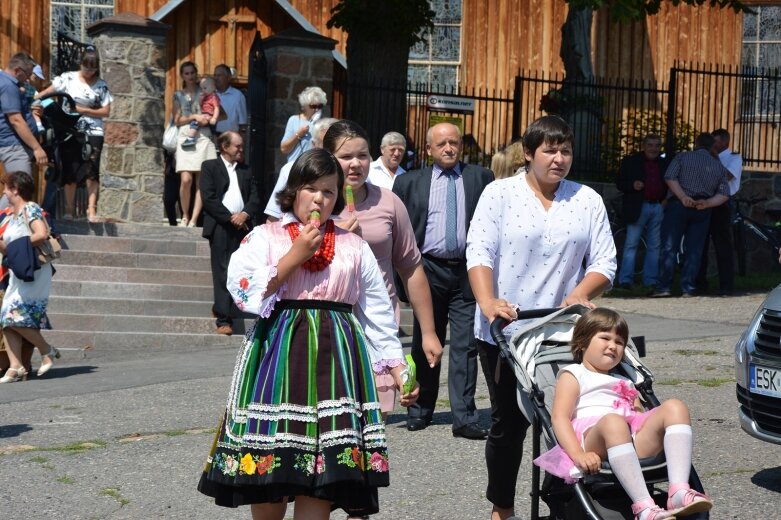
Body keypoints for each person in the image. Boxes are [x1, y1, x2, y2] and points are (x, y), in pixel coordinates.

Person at [197, 148, 417, 519]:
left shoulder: (354, 247)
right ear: (294, 189)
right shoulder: (265, 237)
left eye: (330, 192)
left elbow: (377, 313)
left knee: (324, 472)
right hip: (278, 358)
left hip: (337, 362)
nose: (320, 199)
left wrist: (397, 368)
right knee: (271, 469)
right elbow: (242, 290)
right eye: (312, 189)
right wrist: (293, 257)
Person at [466, 115, 615, 520]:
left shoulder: (586, 199)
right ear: (529, 153)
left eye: (565, 150)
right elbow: (479, 250)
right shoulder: (500, 194)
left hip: (562, 328)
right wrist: (488, 300)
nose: (558, 158)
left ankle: (561, 501)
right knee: (509, 425)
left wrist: (583, 292)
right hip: (507, 330)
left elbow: (605, 260)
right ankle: (503, 507)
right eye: (549, 150)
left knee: (565, 419)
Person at [323, 119, 443, 421]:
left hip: (378, 330)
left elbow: (411, 268)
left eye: (362, 156)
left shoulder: (389, 202)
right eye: (345, 157)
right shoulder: (315, 202)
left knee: (374, 427)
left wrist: (428, 332)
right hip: (328, 327)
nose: (355, 164)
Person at [550, 308, 713, 519]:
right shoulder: (574, 374)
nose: (613, 345)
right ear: (582, 342)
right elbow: (559, 417)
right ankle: (644, 507)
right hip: (593, 440)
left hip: (628, 437)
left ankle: (679, 491)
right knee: (613, 422)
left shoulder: (626, 379)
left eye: (619, 342)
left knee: (675, 406)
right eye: (605, 338)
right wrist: (578, 454)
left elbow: (639, 416)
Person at [393, 122, 494, 439]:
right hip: (426, 269)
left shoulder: (481, 178)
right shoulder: (409, 182)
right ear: (428, 150)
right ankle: (420, 409)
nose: (448, 148)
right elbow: (399, 230)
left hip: (467, 270)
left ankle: (464, 416)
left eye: (454, 142)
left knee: (465, 345)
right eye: (441, 144)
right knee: (425, 339)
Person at [35, 47, 112, 223]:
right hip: (69, 129)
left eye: (93, 68)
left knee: (92, 169)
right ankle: (69, 211)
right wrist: (32, 98)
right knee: (70, 168)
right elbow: (48, 93)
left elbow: (106, 111)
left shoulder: (101, 86)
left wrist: (82, 109)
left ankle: (91, 210)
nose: (89, 71)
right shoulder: (68, 78)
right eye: (86, 67)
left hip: (93, 130)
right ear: (81, 63)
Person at [651, 133, 730, 298]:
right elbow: (724, 194)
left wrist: (682, 197)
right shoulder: (718, 165)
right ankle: (688, 287)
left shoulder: (682, 157)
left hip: (678, 206)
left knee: (669, 247)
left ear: (696, 143)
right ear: (711, 147)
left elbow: (669, 177)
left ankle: (664, 287)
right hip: (702, 208)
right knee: (695, 250)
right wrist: (707, 203)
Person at [0, 171, 59, 383]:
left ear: (16, 189)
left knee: (12, 315)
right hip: (20, 270)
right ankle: (15, 367)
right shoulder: (11, 215)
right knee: (6, 317)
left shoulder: (30, 208)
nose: (5, 193)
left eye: (7, 188)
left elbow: (41, 233)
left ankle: (47, 350)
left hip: (35, 270)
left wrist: (17, 246)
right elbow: (9, 250)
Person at [199, 131, 260, 336]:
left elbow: (254, 197)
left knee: (240, 269)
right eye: (237, 146)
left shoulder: (246, 170)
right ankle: (223, 319)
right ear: (225, 147)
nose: (241, 150)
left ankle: (224, 306)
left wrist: (244, 215)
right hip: (221, 227)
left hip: (242, 227)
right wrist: (230, 218)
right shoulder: (210, 167)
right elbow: (209, 198)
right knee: (222, 271)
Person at [615, 134, 670, 289]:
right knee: (631, 244)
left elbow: (670, 182)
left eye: (657, 145)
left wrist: (665, 200)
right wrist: (632, 185)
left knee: (655, 246)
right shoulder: (631, 162)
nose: (653, 148)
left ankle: (650, 280)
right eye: (650, 145)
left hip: (658, 206)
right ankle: (625, 280)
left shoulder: (664, 163)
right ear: (643, 146)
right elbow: (619, 182)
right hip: (638, 207)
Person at [696, 128, 742, 296]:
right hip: (704, 201)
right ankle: (700, 283)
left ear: (724, 141)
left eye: (715, 142)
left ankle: (726, 285)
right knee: (700, 244)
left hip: (722, 203)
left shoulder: (734, 158)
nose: (712, 145)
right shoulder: (705, 157)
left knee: (722, 245)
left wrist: (713, 159)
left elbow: (727, 176)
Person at [265, 117, 338, 222]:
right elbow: (273, 219)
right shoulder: (291, 169)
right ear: (314, 145)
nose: (332, 152)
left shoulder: (353, 173)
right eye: (326, 146)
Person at [171, 61, 217, 227]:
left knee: (201, 182)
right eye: (186, 73)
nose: (190, 76)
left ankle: (194, 219)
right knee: (185, 179)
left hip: (203, 137)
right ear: (182, 76)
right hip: (185, 136)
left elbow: (219, 112)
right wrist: (193, 117)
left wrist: (208, 119)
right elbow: (177, 120)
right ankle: (184, 215)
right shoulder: (178, 95)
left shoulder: (205, 91)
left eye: (192, 73)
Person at [0, 53, 48, 175]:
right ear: (17, 70)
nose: (28, 79)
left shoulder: (8, 83)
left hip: (15, 145)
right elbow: (16, 120)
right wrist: (37, 148)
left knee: (17, 190)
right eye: (27, 74)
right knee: (20, 190)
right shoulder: (8, 86)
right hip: (14, 146)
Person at [279, 86, 326, 164]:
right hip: (295, 166)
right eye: (313, 106)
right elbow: (284, 149)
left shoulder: (322, 123)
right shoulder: (294, 120)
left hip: (314, 168)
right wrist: (298, 134)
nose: (317, 109)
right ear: (305, 106)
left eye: (320, 106)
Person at [182, 76, 220, 149]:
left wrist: (214, 118)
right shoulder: (206, 96)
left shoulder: (214, 97)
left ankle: (190, 138)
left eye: (205, 88)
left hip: (209, 115)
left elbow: (216, 108)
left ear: (213, 88)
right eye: (201, 88)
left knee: (195, 123)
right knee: (213, 132)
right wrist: (201, 99)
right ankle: (216, 146)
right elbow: (200, 105)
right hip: (205, 114)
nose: (203, 90)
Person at [213, 64, 247, 136]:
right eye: (215, 75)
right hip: (212, 138)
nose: (216, 78)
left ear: (228, 78)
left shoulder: (238, 96)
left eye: (219, 75)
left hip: (230, 138)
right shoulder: (210, 94)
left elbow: (243, 123)